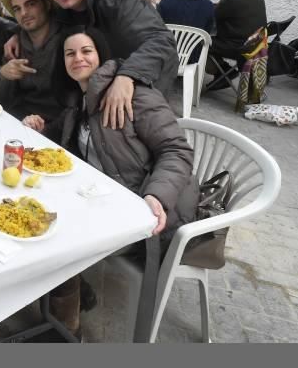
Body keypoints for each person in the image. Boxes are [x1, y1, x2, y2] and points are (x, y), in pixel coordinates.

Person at [37, 27, 198, 337]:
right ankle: (73, 292)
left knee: (55, 237)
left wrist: (155, 196)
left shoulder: (135, 95)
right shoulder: (81, 100)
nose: (78, 58)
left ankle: (67, 332)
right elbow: (65, 138)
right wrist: (40, 127)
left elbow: (177, 151)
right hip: (104, 200)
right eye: (70, 53)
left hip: (148, 213)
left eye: (86, 51)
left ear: (101, 55)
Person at [6, 0, 178, 129]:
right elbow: (40, 16)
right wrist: (18, 33)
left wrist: (127, 75)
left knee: (131, 144)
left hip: (144, 80)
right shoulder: (62, 0)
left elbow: (162, 40)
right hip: (99, 82)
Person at [0, 0, 65, 126]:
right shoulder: (15, 46)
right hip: (18, 123)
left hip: (55, 132)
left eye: (31, 4)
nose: (24, 13)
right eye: (17, 8)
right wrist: (3, 75)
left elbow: (73, 104)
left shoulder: (67, 43)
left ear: (47, 3)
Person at [206, 0, 267, 82]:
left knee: (198, 42)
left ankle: (222, 72)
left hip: (238, 47)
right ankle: (224, 72)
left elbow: (210, 17)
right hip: (256, 45)